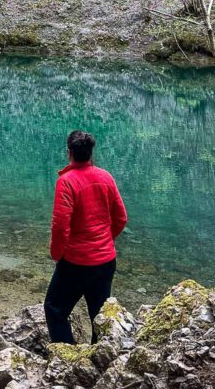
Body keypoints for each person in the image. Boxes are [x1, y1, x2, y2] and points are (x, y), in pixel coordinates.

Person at [44, 130, 127, 344]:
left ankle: (67, 356)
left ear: (69, 152)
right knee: (99, 317)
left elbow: (60, 227)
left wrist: (56, 254)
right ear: (91, 153)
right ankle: (100, 358)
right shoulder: (105, 177)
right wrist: (105, 241)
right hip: (105, 262)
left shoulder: (67, 181)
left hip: (75, 263)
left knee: (54, 309)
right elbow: (121, 218)